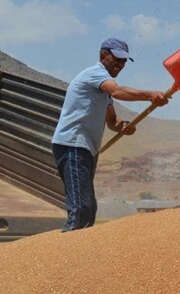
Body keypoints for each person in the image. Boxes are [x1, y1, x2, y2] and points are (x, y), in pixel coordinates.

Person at [51, 38, 169, 232]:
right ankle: (65, 253)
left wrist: (123, 126)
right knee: (81, 209)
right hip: (72, 144)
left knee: (89, 209)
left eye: (124, 61)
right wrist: (149, 95)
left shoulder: (102, 90)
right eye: (117, 59)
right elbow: (117, 91)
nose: (120, 64)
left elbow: (112, 121)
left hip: (86, 148)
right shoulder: (95, 74)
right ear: (103, 55)